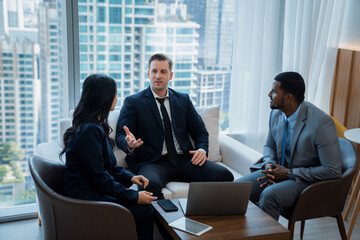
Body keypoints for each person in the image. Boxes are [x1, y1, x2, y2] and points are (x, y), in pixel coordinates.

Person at [116, 53, 234, 199]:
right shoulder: (133, 102)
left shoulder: (183, 100)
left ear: (170, 75)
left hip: (184, 160)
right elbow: (121, 135)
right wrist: (129, 144)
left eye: (163, 72)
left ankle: (203, 217)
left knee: (224, 175)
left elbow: (200, 132)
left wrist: (202, 150)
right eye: (154, 71)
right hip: (152, 162)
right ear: (148, 74)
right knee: (148, 184)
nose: (158, 76)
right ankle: (164, 222)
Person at [61, 74, 157, 240]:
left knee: (143, 206)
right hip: (86, 199)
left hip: (92, 191)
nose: (116, 98)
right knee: (145, 212)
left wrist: (132, 177)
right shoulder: (89, 130)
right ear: (103, 98)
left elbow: (108, 167)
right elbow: (100, 177)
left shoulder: (93, 126)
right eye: (114, 94)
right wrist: (134, 197)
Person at [236, 71, 342, 220]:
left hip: (306, 181)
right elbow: (269, 146)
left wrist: (290, 173)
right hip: (280, 172)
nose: (269, 95)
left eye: (274, 92)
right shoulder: (276, 113)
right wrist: (269, 165)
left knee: (269, 195)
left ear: (289, 97)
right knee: (236, 190)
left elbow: (333, 170)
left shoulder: (321, 124)